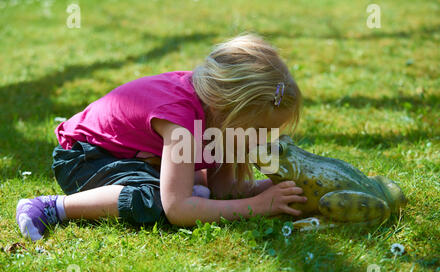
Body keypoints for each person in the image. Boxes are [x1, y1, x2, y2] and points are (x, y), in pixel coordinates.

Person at [16, 33, 307, 241]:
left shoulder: (218, 117)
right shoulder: (181, 123)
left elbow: (225, 190)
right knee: (153, 201)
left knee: (191, 193)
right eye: (258, 131)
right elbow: (178, 209)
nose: (262, 141)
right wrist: (257, 206)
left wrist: (277, 188)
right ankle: (51, 207)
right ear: (229, 110)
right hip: (84, 159)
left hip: (128, 156)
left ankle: (185, 188)